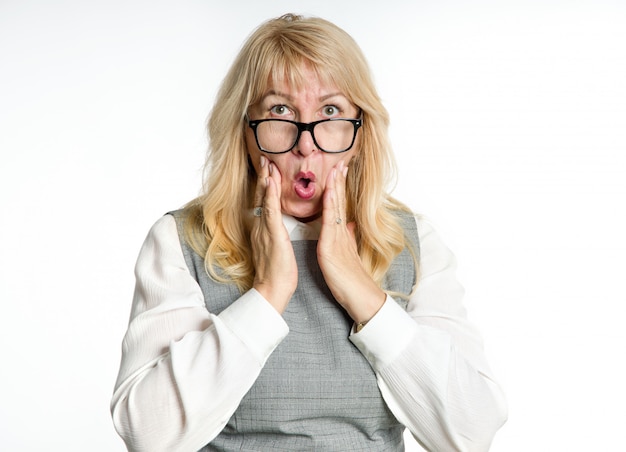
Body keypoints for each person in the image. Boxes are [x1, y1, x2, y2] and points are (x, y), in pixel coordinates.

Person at [111, 13, 507, 452]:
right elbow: (147, 434)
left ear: (360, 133)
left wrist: (360, 290)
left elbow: (472, 433)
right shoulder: (181, 241)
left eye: (331, 112)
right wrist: (267, 294)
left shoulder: (412, 243)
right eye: (279, 111)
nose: (306, 143)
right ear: (245, 130)